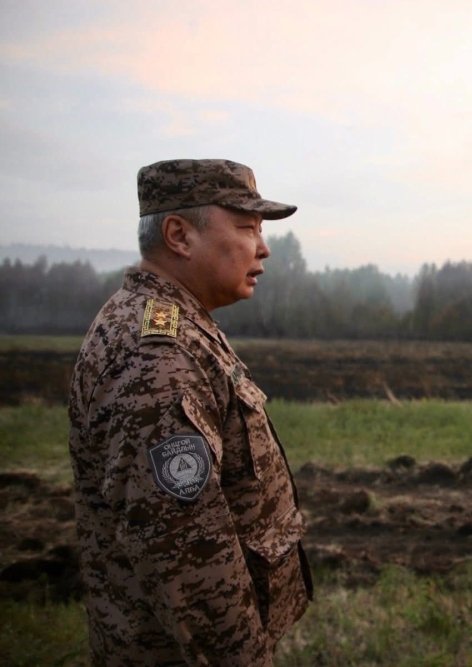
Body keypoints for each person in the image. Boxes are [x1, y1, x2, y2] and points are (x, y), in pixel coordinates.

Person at [68, 159, 313, 666]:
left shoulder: (174, 324)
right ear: (179, 235)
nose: (263, 247)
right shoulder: (156, 357)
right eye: (246, 228)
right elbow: (190, 564)